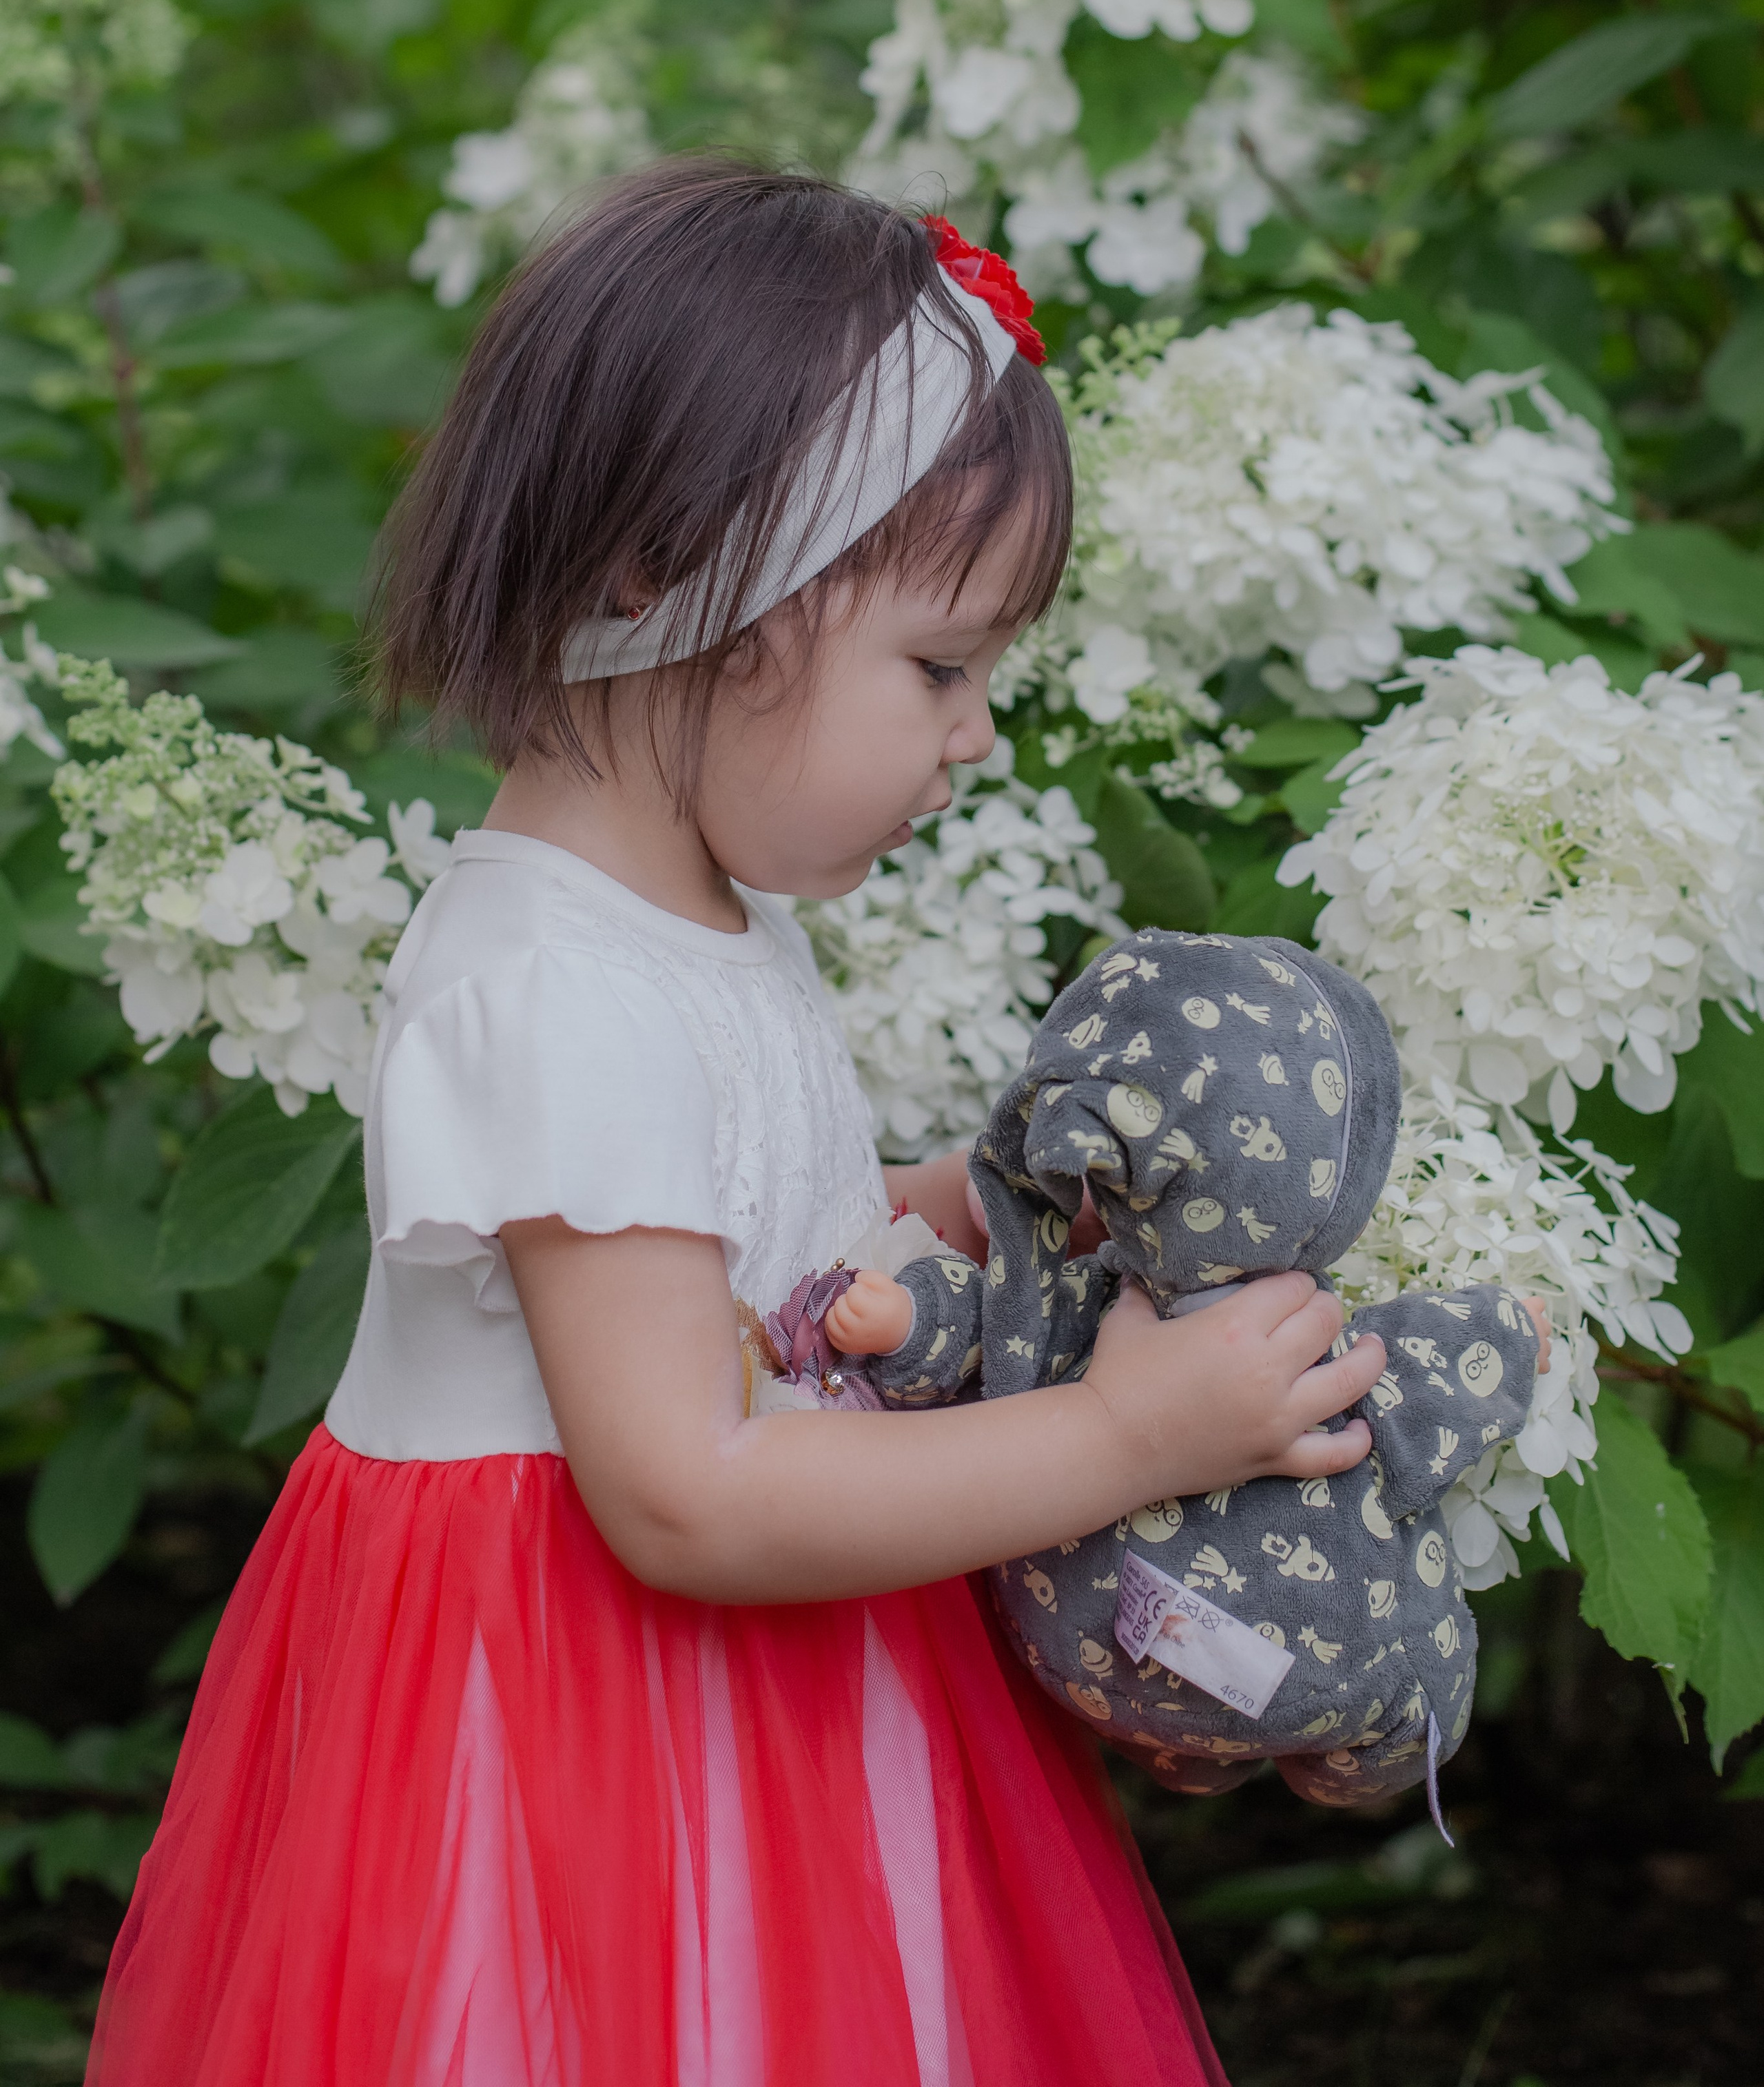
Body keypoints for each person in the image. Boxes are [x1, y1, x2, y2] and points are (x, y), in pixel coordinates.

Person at [88, 161, 1391, 2087]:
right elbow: (687, 1487)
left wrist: (960, 1211)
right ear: (663, 580)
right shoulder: (556, 989)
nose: (975, 735)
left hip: (786, 1677)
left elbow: (746, 1250)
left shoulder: (698, 911)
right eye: (940, 668)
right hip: (593, 1734)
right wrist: (1124, 1433)